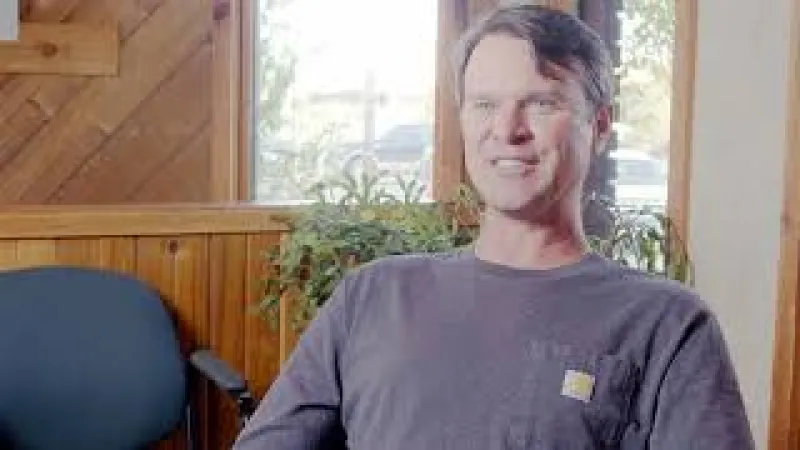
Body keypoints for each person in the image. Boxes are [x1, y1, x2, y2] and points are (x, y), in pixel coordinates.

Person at [233, 4, 755, 449]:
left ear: (598, 128)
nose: (507, 130)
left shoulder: (667, 325)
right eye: (485, 104)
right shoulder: (372, 296)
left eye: (541, 103)